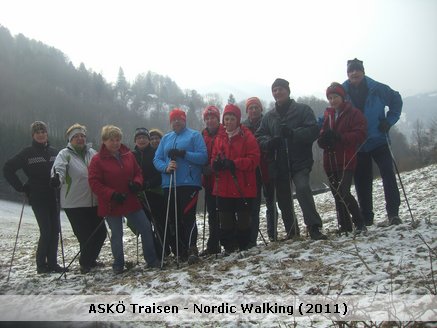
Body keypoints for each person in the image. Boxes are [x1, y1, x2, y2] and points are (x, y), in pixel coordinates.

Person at [256, 78, 327, 240]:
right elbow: (259, 136)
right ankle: (292, 231)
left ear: (288, 91)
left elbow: (313, 130)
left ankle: (314, 227)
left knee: (302, 188)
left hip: (300, 161)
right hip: (279, 163)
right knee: (284, 198)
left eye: (280, 89)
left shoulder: (303, 110)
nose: (277, 92)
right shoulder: (269, 116)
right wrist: (269, 143)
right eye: (274, 90)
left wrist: (294, 134)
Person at [88, 125, 159, 274]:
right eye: (112, 140)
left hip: (130, 199)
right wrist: (112, 194)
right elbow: (94, 183)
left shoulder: (128, 155)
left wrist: (137, 183)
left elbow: (137, 172)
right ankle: (118, 264)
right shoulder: (97, 160)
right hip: (111, 203)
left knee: (145, 227)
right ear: (104, 141)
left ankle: (152, 260)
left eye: (118, 139)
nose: (115, 143)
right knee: (117, 234)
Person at [342, 58, 403, 227]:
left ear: (363, 71)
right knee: (362, 180)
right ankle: (367, 217)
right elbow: (334, 112)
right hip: (358, 143)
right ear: (347, 74)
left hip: (379, 139)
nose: (354, 73)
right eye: (351, 71)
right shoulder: (342, 92)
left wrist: (389, 121)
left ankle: (393, 213)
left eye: (357, 70)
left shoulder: (377, 88)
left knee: (388, 174)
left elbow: (396, 100)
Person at [3, 121, 64, 273]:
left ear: (47, 133)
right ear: (33, 135)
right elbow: (8, 168)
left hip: (54, 196)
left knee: (55, 230)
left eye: (43, 131)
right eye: (37, 132)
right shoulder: (27, 153)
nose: (41, 134)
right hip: (37, 196)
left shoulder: (55, 153)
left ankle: (53, 264)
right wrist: (21, 187)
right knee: (46, 230)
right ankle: (41, 265)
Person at [50, 123, 107, 273]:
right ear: (70, 139)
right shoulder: (64, 154)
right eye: (76, 136)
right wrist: (57, 178)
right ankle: (85, 263)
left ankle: (89, 260)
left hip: (94, 201)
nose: (80, 139)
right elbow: (59, 169)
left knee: (101, 234)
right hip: (74, 203)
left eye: (82, 136)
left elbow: (103, 168)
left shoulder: (92, 153)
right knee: (85, 235)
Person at [153, 109, 208, 264]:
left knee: (188, 216)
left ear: (185, 120)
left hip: (189, 183)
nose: (177, 122)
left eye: (180, 119)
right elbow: (156, 159)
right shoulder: (165, 138)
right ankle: (180, 249)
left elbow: (203, 157)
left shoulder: (194, 135)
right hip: (169, 184)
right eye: (174, 119)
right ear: (170, 122)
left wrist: (185, 154)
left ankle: (192, 248)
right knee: (174, 218)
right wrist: (166, 167)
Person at [318, 83, 367, 235]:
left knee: (343, 192)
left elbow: (361, 134)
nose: (333, 101)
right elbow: (322, 133)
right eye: (330, 98)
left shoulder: (353, 113)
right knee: (336, 194)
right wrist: (323, 140)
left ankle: (359, 223)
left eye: (336, 97)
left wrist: (340, 137)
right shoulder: (328, 115)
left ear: (343, 97)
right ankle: (345, 226)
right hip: (330, 160)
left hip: (346, 158)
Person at [211, 104, 260, 254]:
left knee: (243, 219)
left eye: (232, 119)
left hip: (243, 184)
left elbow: (254, 159)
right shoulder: (219, 138)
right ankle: (229, 247)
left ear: (238, 120)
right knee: (225, 219)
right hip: (223, 186)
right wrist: (216, 165)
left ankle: (244, 245)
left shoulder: (247, 136)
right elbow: (213, 157)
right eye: (226, 119)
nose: (229, 122)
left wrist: (235, 163)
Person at [242, 97, 277, 245]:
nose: (254, 110)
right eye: (251, 108)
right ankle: (252, 238)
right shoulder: (242, 127)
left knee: (271, 201)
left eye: (256, 107)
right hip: (252, 171)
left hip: (268, 165)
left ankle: (272, 234)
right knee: (253, 205)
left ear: (261, 109)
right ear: (247, 111)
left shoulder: (268, 121)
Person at [132, 127, 168, 256]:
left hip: (155, 192)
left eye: (144, 138)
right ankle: (151, 253)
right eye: (139, 138)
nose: (142, 140)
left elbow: (160, 174)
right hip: (139, 195)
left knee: (160, 223)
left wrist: (148, 183)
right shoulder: (131, 155)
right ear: (135, 141)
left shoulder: (155, 153)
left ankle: (163, 250)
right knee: (145, 226)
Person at [200, 105, 224, 256]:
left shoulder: (224, 131)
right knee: (212, 213)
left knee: (225, 212)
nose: (210, 120)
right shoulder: (202, 135)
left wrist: (213, 167)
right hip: (208, 180)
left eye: (212, 117)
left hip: (223, 178)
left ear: (217, 118)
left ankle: (228, 241)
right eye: (207, 118)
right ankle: (213, 245)